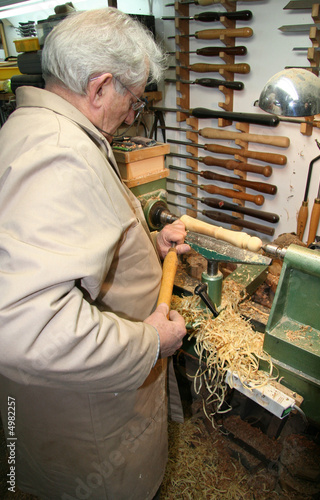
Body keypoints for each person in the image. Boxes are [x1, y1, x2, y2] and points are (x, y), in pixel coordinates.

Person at [0, 7, 191, 500]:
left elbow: (63, 255)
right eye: (133, 96)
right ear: (100, 86)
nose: (134, 113)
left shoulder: (35, 127)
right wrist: (149, 343)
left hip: (79, 399)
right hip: (91, 416)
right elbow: (26, 327)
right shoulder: (60, 152)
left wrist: (147, 248)